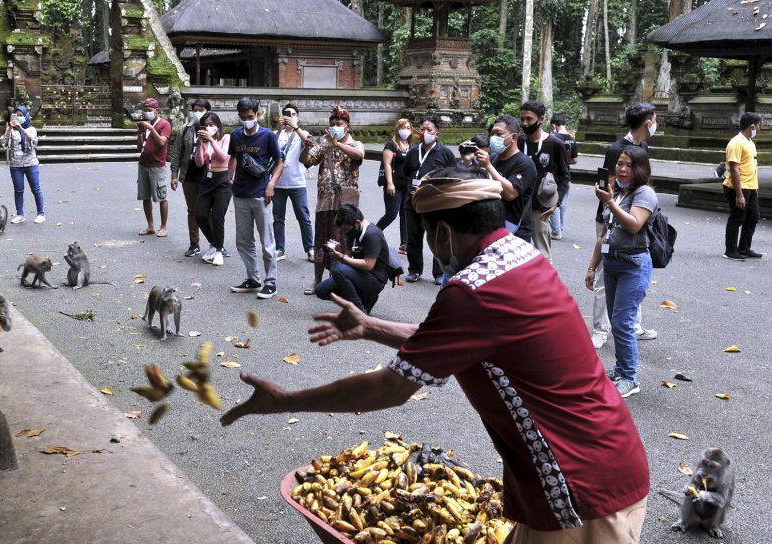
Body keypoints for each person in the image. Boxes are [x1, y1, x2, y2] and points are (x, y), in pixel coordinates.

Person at [221, 164, 650, 542]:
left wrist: (285, 402)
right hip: (607, 461)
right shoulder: (521, 257)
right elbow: (452, 339)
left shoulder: (472, 292)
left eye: (426, 232)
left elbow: (390, 389)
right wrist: (371, 327)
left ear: (442, 233)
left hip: (577, 490)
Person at [585, 147, 657, 399]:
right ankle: (620, 368)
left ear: (640, 169)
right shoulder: (618, 193)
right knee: (617, 322)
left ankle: (630, 378)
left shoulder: (645, 193)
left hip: (633, 265)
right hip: (612, 264)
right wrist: (592, 267)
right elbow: (603, 235)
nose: (622, 169)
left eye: (628, 165)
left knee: (623, 323)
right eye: (619, 164)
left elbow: (634, 223)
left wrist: (609, 201)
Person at [591, 102, 657, 349]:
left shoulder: (643, 146)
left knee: (632, 275)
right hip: (611, 217)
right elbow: (610, 184)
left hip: (635, 216)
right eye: (655, 119)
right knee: (602, 276)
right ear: (648, 123)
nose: (624, 167)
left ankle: (634, 325)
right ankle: (600, 329)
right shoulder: (617, 148)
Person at [300, 104, 365, 295]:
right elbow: (306, 161)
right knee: (321, 242)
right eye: (333, 123)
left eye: (340, 123)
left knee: (342, 243)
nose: (336, 126)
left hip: (346, 204)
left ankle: (339, 283)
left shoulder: (355, 144)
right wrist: (306, 147)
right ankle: (318, 281)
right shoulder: (324, 145)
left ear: (348, 127)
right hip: (324, 201)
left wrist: (337, 144)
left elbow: (359, 156)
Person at [227, 97, 284, 299]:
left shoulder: (267, 136)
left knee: (267, 242)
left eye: (250, 116)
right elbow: (233, 156)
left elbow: (279, 162)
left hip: (261, 194)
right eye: (243, 117)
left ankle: (271, 282)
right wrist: (229, 176)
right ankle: (253, 278)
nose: (246, 120)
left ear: (258, 114)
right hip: (240, 194)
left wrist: (271, 184)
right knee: (243, 241)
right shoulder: (235, 135)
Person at [400, 115, 456, 284]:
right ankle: (414, 270)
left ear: (437, 133)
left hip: (435, 204)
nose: (425, 133)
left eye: (429, 130)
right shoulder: (412, 152)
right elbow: (406, 174)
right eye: (422, 129)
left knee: (438, 239)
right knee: (413, 237)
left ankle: (439, 273)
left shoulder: (445, 153)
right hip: (413, 202)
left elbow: (452, 178)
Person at [517, 100, 571, 260]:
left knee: (542, 255)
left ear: (541, 119)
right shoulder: (519, 141)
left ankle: (545, 284)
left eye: (529, 119)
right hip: (517, 204)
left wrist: (556, 203)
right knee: (517, 253)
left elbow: (564, 176)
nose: (525, 124)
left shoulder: (555, 144)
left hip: (539, 207)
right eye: (522, 119)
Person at [314, 204, 392, 314]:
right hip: (360, 274)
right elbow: (348, 255)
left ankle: (359, 311)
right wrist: (335, 251)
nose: (344, 232)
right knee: (321, 290)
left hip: (375, 279)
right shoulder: (354, 231)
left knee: (338, 270)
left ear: (357, 223)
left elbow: (368, 264)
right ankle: (365, 299)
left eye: (345, 228)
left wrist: (341, 257)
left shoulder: (372, 234)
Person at [477, 115, 536, 241]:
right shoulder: (493, 158)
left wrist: (488, 166)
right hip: (492, 226)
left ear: (513, 137)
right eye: (492, 133)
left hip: (515, 231)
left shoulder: (524, 163)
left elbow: (510, 194)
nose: (493, 138)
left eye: (499, 134)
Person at [272, 103, 315, 263]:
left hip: (297, 183)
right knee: (278, 218)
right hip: (278, 183)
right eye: (286, 114)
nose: (289, 116)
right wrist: (278, 129)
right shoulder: (275, 134)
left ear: (297, 117)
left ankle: (310, 249)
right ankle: (279, 249)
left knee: (304, 217)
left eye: (292, 114)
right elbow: (270, 147)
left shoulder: (302, 133)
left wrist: (296, 127)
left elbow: (309, 142)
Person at [169, 98, 211, 257]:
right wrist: (174, 175)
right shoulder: (184, 129)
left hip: (208, 175)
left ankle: (216, 243)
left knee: (210, 211)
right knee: (192, 210)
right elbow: (177, 153)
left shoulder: (214, 129)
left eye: (201, 110)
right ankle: (194, 244)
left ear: (208, 111)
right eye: (195, 109)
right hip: (189, 174)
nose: (197, 113)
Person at [722, 112, 763, 261]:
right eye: (758, 125)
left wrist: (754, 188)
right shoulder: (736, 143)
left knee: (753, 217)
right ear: (752, 126)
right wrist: (739, 194)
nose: (759, 128)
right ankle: (730, 251)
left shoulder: (749, 141)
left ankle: (744, 248)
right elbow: (734, 168)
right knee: (738, 217)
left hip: (751, 186)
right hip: (738, 187)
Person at [193, 112, 233, 266]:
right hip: (207, 178)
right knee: (200, 213)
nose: (209, 128)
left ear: (218, 125)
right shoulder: (204, 141)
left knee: (217, 216)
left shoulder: (226, 138)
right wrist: (199, 146)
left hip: (223, 179)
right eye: (206, 125)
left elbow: (224, 157)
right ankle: (215, 243)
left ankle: (217, 251)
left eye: (211, 125)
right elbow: (199, 163)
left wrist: (211, 140)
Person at [0, 104, 45, 224]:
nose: (18, 118)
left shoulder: (31, 129)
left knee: (36, 189)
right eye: (16, 115)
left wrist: (22, 129)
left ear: (26, 116)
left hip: (31, 164)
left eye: (21, 115)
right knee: (18, 190)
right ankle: (20, 214)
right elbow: (4, 143)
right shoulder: (11, 130)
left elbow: (34, 143)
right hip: (16, 166)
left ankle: (41, 213)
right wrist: (9, 128)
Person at [376, 119, 414, 255]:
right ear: (397, 129)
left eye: (408, 127)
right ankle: (373, 233)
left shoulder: (411, 145)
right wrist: (390, 183)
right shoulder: (391, 145)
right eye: (403, 127)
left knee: (405, 214)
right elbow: (387, 164)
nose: (406, 130)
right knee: (391, 214)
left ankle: (404, 244)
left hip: (407, 186)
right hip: (394, 185)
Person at [136, 98, 171, 237]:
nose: (147, 113)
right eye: (145, 110)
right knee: (145, 197)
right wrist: (140, 132)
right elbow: (139, 146)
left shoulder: (164, 124)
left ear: (157, 110)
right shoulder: (146, 124)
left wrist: (151, 128)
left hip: (157, 165)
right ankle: (150, 226)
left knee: (161, 197)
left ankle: (163, 227)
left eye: (149, 110)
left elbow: (162, 142)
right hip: (143, 164)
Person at [549, 114, 578, 240]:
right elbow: (575, 160)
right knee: (564, 202)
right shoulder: (572, 139)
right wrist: (566, 162)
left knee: (554, 201)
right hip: (567, 173)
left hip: (556, 174)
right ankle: (560, 228)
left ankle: (556, 231)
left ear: (553, 125)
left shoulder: (553, 139)